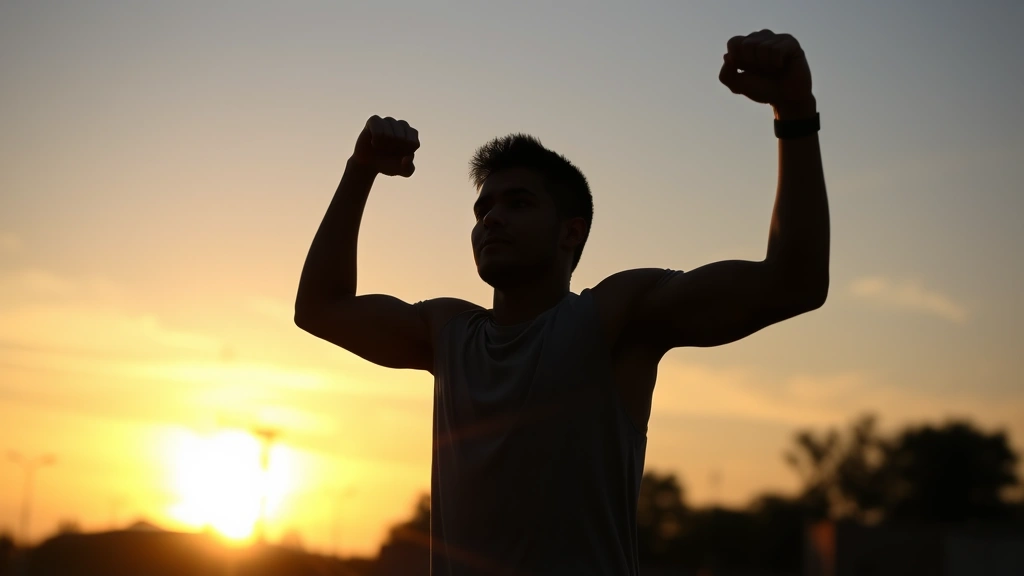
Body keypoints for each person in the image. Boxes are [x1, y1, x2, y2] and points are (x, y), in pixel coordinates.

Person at [296, 29, 829, 576]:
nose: (492, 219)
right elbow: (320, 308)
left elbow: (795, 282)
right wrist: (359, 170)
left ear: (570, 233)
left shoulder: (615, 316)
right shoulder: (448, 332)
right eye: (483, 210)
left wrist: (794, 113)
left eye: (518, 203)